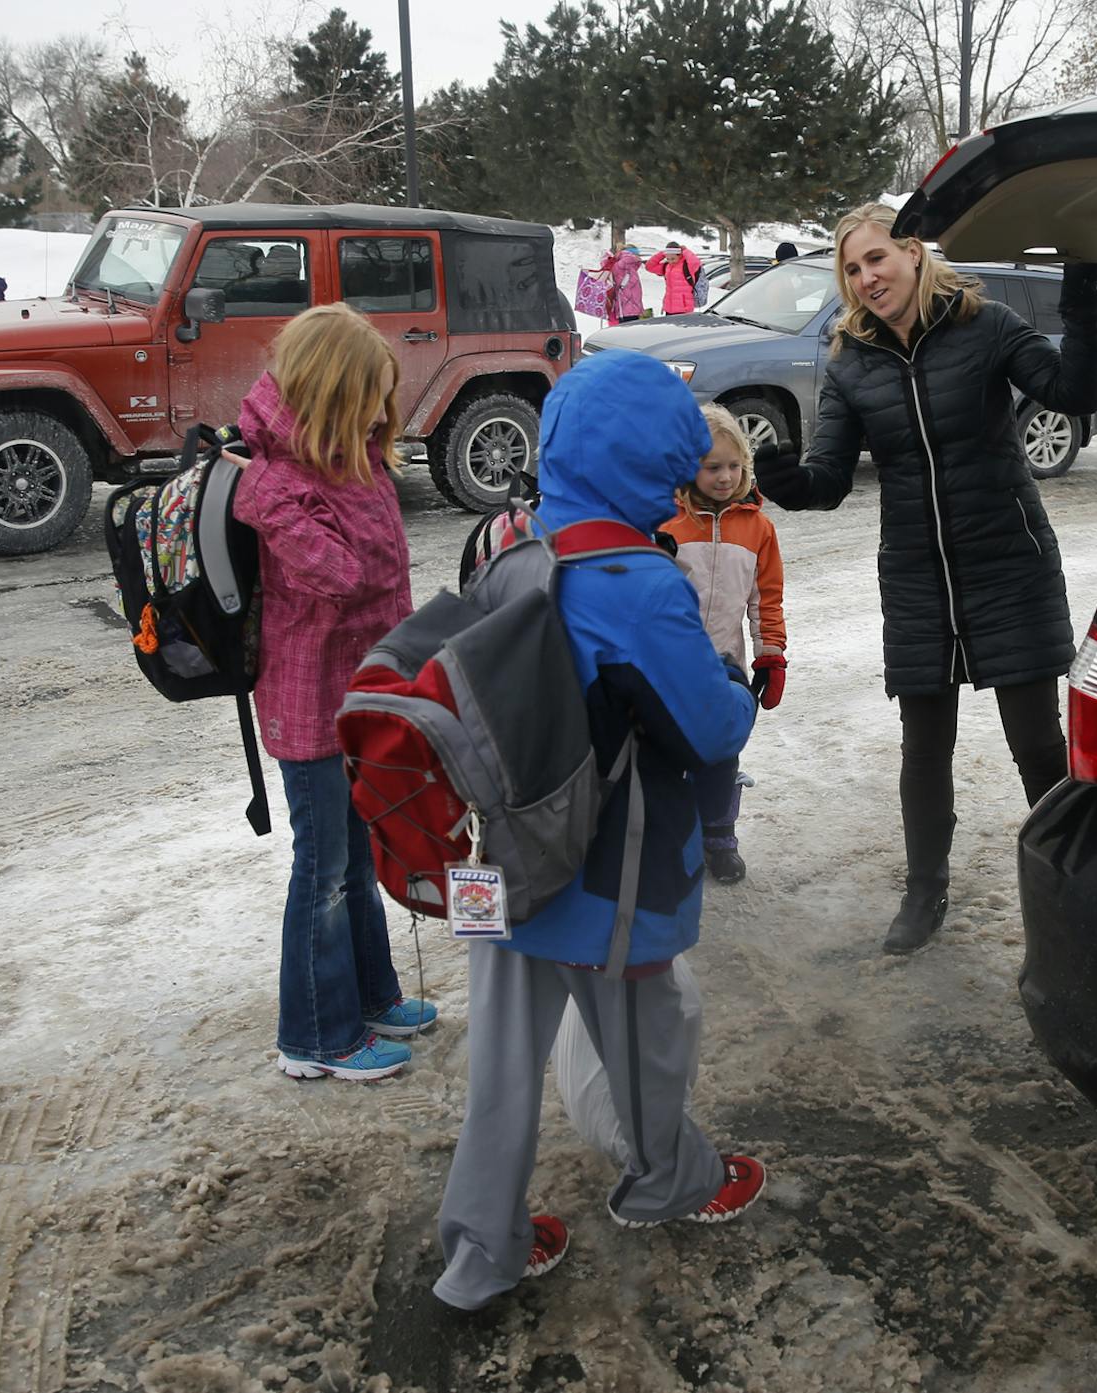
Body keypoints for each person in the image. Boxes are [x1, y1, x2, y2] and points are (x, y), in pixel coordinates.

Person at [433, 350, 766, 1312]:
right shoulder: (636, 579)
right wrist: (737, 684)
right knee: (645, 1037)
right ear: (651, 455)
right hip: (603, 866)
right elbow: (711, 729)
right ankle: (671, 1181)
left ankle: (479, 1251)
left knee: (500, 1066)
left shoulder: (511, 544)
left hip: (501, 849)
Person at [753, 202, 1097, 955]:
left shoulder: (988, 325)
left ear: (913, 251)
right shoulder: (851, 362)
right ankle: (924, 889)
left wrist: (1082, 293)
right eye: (853, 268)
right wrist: (790, 482)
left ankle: (1073, 886)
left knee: (1036, 741)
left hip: (1008, 562)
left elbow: (1072, 393)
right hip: (917, 573)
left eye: (876, 258)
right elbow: (830, 478)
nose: (866, 277)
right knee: (924, 745)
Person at [227, 305, 438, 1084]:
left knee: (357, 858)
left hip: (361, 695)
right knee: (322, 871)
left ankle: (372, 997)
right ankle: (316, 1034)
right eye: (373, 396)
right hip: (311, 706)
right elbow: (342, 575)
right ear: (333, 395)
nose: (385, 411)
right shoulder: (279, 483)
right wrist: (270, 497)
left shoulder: (352, 460)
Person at [656, 404, 787, 884]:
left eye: (734, 466)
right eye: (712, 467)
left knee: (720, 752)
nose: (725, 477)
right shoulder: (665, 522)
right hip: (667, 665)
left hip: (723, 665)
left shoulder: (758, 528)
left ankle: (719, 835)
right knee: (667, 756)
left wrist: (770, 655)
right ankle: (672, 839)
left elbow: (765, 598)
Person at [646, 241, 704, 316]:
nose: (670, 261)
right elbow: (649, 266)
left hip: (684, 309)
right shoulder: (666, 266)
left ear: (679, 255)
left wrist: (685, 251)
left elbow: (695, 263)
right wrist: (662, 253)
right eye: (668, 259)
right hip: (669, 308)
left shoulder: (687, 266)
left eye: (673, 258)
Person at [597, 242, 644, 326]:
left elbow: (606, 268)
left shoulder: (624, 265)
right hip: (629, 308)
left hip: (625, 308)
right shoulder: (626, 264)